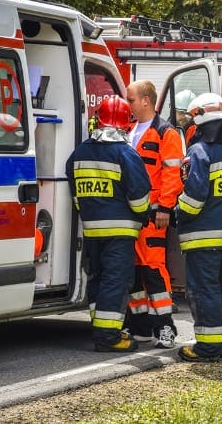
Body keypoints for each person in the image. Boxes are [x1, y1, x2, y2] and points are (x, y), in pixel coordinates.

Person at [65, 96, 151, 352]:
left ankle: (100, 326)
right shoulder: (126, 153)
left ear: (98, 120)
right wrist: (141, 215)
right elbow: (139, 197)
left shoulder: (78, 153)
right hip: (121, 231)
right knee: (116, 279)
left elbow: (77, 195)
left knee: (98, 278)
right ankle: (108, 336)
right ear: (126, 124)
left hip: (92, 229)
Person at [175, 93, 222, 363]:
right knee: (218, 290)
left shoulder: (198, 153)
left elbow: (194, 198)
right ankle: (218, 344)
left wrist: (177, 212)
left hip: (201, 238)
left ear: (202, 121)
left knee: (203, 290)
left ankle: (206, 348)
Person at [125, 80, 184, 349]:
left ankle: (165, 328)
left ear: (146, 100)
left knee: (154, 271)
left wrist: (165, 207)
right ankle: (140, 328)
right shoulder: (129, 131)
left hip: (153, 216)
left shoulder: (165, 133)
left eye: (132, 100)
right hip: (130, 216)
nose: (129, 105)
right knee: (135, 272)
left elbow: (173, 173)